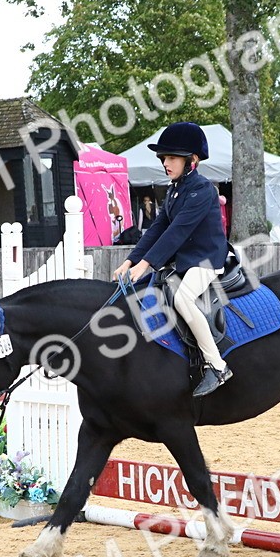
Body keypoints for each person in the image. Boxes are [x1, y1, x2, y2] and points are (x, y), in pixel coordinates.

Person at [114, 122, 233, 397]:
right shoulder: (175, 188)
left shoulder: (203, 190)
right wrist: (131, 260)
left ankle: (217, 366)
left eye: (171, 158)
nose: (165, 163)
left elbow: (176, 233)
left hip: (206, 258)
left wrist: (146, 265)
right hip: (184, 258)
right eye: (163, 158)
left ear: (191, 160)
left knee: (183, 299)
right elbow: (158, 228)